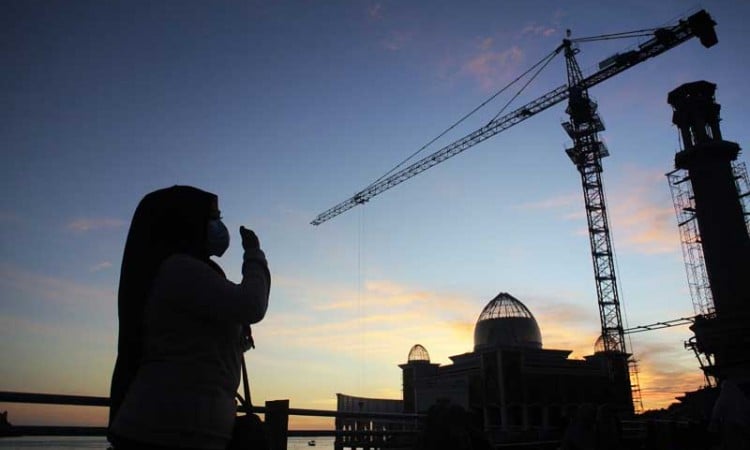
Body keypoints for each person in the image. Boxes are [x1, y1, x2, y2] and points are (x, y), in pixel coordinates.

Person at [107, 186, 271, 450]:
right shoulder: (180, 269)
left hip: (178, 430)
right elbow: (251, 304)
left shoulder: (189, 271)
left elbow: (202, 347)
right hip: (167, 432)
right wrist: (254, 255)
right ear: (188, 222)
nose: (220, 226)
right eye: (214, 218)